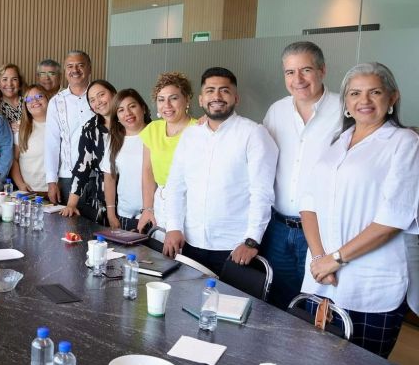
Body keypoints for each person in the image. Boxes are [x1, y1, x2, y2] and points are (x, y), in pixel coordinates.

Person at [302, 62, 419, 358]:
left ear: (392, 98)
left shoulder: (405, 143)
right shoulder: (336, 141)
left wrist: (335, 260)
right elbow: (309, 204)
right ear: (345, 102)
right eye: (354, 93)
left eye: (374, 92)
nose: (363, 100)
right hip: (321, 277)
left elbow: (393, 219)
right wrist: (319, 258)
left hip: (370, 283)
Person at [163, 67, 278, 274]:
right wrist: (173, 226)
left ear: (236, 98)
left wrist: (251, 240)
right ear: (201, 100)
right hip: (190, 242)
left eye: (224, 91)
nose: (216, 96)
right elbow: (175, 186)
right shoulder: (190, 136)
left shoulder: (253, 134)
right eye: (210, 91)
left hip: (235, 248)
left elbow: (262, 192)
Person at [261, 42, 342, 309]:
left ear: (322, 70)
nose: (298, 79)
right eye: (290, 72)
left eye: (305, 70)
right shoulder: (276, 110)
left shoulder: (345, 110)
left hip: (322, 232)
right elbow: (256, 155)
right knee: (277, 304)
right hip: (278, 228)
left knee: (318, 307)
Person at [136, 72, 197, 232]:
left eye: (174, 98)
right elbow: (147, 171)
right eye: (161, 99)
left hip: (191, 202)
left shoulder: (199, 129)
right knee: (161, 245)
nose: (167, 105)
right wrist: (147, 209)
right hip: (161, 200)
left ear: (187, 99)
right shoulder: (153, 129)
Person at [60, 80, 117, 223]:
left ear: (114, 94)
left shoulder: (129, 121)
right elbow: (82, 167)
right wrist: (71, 204)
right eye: (92, 100)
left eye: (101, 95)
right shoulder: (90, 128)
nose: (98, 102)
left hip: (133, 197)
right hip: (103, 199)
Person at [45, 50, 95, 204]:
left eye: (80, 65)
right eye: (70, 66)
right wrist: (51, 182)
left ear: (89, 68)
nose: (75, 70)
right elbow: (51, 144)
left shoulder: (101, 97)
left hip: (98, 175)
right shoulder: (56, 102)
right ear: (65, 71)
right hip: (68, 176)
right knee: (69, 219)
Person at [101, 90, 151, 230]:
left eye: (132, 106)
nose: (127, 113)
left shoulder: (157, 134)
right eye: (121, 110)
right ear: (117, 116)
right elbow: (109, 177)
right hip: (124, 215)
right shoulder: (114, 139)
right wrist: (111, 214)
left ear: (143, 108)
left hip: (154, 214)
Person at [10, 85, 49, 193]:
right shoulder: (20, 127)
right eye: (29, 99)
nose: (35, 101)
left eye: (39, 96)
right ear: (25, 105)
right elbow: (13, 160)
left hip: (57, 190)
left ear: (48, 98)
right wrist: (20, 184)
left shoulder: (60, 125)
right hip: (29, 192)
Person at [0, 63, 25, 132]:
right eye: (5, 79)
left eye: (14, 79)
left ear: (20, 84)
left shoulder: (29, 102)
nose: (9, 84)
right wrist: (6, 127)